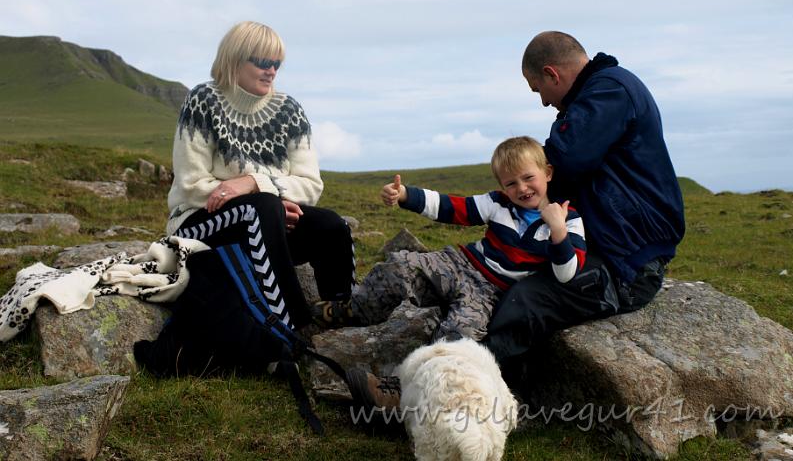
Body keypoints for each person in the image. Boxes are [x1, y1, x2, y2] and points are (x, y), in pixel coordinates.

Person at [337, 136, 596, 408]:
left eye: (528, 177)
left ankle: (400, 393)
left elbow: (567, 273)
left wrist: (558, 230)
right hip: (460, 263)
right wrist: (405, 195)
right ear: (502, 187)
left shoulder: (569, 220)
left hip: (488, 293)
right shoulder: (498, 203)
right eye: (510, 183)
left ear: (548, 173)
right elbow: (453, 208)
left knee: (457, 340)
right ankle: (355, 311)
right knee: (399, 267)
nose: (521, 188)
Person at [482, 30, 686, 370]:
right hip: (613, 249)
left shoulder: (609, 92)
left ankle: (455, 385)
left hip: (628, 266)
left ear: (552, 74)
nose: (544, 102)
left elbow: (566, 159)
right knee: (502, 274)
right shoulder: (600, 93)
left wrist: (516, 186)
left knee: (526, 299)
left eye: (539, 90)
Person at [166, 20, 355, 330]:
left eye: (277, 63)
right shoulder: (204, 101)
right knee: (263, 210)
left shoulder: (289, 110)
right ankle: (295, 324)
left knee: (331, 224)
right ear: (235, 60)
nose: (272, 71)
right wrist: (264, 200)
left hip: (269, 222)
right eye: (263, 62)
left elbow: (311, 185)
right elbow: (191, 185)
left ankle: (339, 311)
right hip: (199, 225)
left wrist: (254, 183)